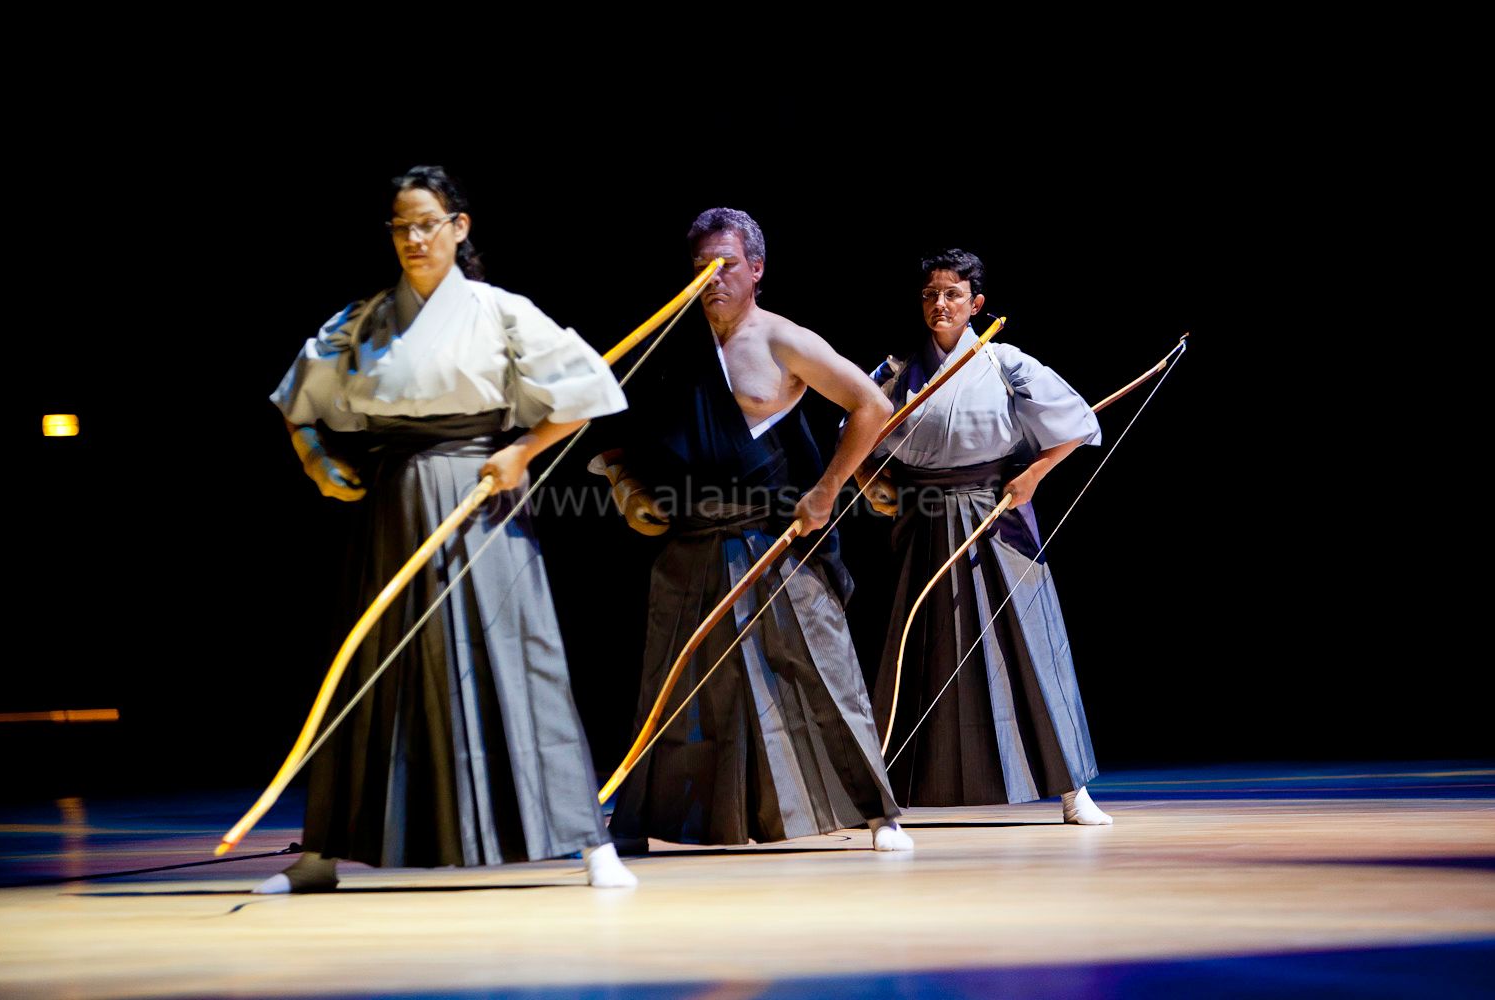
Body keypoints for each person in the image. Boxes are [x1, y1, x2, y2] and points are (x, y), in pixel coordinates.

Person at [257, 166, 637, 892]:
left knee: (521, 659)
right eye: (401, 227)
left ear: (459, 228)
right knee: (373, 673)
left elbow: (586, 392)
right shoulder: (366, 319)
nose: (414, 239)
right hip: (394, 506)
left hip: (481, 499)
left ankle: (592, 846)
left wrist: (523, 451)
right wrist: (315, 462)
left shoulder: (499, 311)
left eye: (427, 223)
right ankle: (318, 858)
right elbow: (297, 402)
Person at [593, 208, 913, 852]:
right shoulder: (671, 343)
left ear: (757, 269)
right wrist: (625, 485)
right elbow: (619, 430)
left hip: (774, 533)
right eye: (701, 267)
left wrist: (828, 489)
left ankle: (880, 813)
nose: (712, 278)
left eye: (726, 265)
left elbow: (872, 404)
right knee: (673, 682)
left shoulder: (782, 339)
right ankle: (640, 821)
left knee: (820, 670)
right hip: (690, 534)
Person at [861, 248, 1111, 825]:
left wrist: (1033, 475)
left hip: (994, 510)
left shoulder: (1005, 363)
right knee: (914, 648)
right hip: (922, 514)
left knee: (1030, 643)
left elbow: (1075, 423)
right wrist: (869, 481)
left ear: (976, 304)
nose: (940, 304)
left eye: (952, 294)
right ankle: (884, 795)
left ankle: (1073, 791)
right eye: (930, 295)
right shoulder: (898, 368)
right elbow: (855, 429)